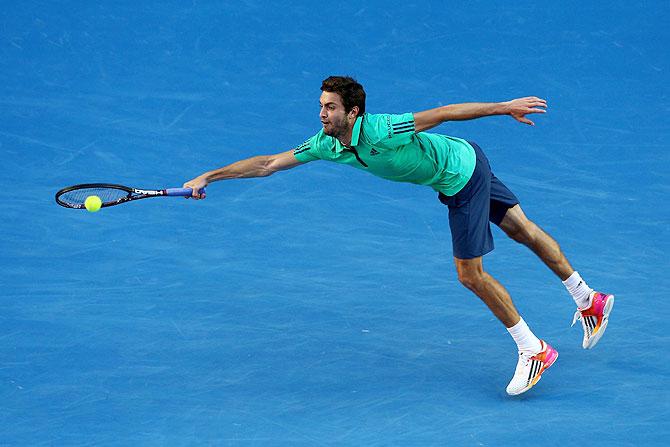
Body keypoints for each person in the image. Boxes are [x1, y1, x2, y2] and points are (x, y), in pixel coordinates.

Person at [183, 76, 614, 396]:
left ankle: (533, 348)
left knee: (469, 274)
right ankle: (588, 298)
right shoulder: (326, 144)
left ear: (353, 113)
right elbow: (267, 163)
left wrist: (504, 107)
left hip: (461, 177)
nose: (321, 114)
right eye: (321, 105)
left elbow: (442, 114)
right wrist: (210, 176)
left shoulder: (382, 129)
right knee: (524, 232)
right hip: (466, 159)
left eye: (330, 107)